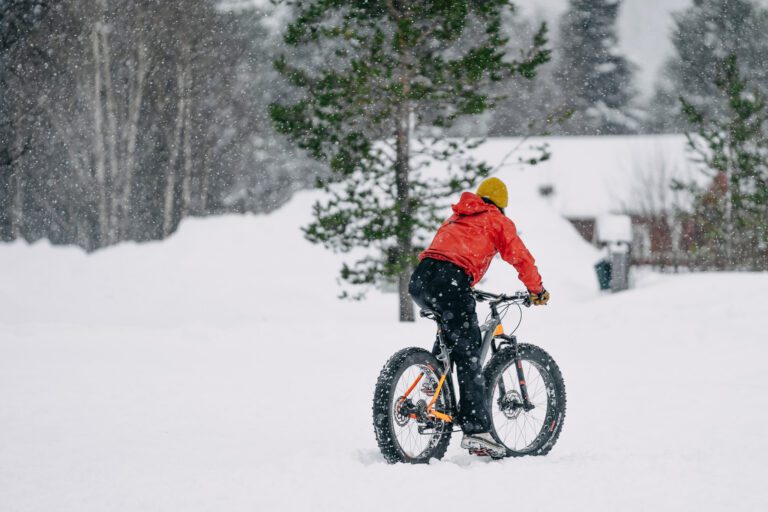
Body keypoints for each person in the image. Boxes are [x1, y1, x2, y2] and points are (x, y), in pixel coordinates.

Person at [408, 177, 550, 457]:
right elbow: (521, 257)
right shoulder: (496, 220)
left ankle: (434, 376)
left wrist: (463, 285)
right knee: (469, 355)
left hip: (421, 279)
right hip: (452, 280)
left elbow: (449, 254)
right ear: (501, 205)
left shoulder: (457, 216)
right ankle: (477, 431)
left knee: (452, 330)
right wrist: (537, 290)